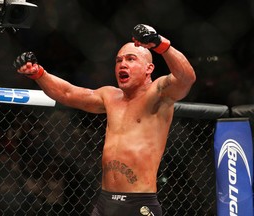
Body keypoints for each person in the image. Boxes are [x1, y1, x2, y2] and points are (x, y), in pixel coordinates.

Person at [14, 24, 196, 216]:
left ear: (148, 68)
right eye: (118, 61)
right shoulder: (110, 96)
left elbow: (186, 78)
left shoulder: (158, 94)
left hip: (138, 203)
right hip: (105, 202)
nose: (122, 64)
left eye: (131, 59)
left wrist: (160, 45)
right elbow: (67, 93)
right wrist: (39, 74)